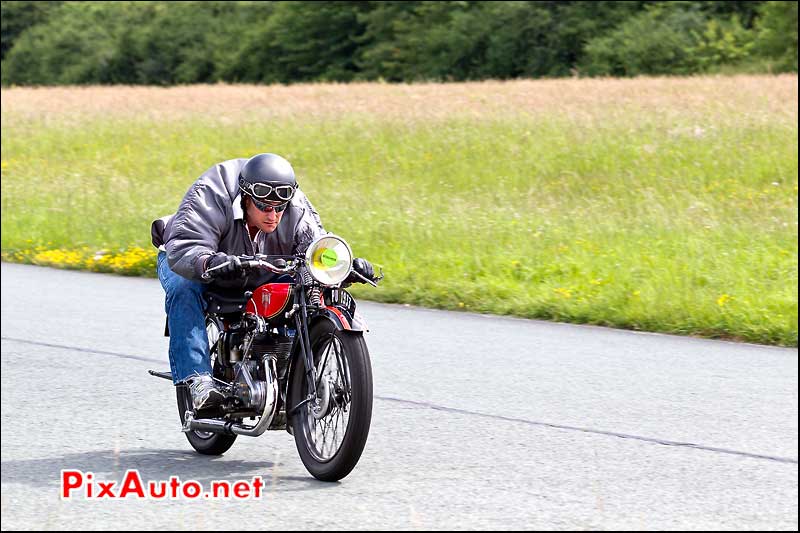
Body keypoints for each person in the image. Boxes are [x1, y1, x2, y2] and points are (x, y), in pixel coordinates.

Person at [151, 153, 375, 410]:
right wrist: (208, 261)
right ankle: (198, 381)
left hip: (260, 266)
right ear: (246, 199)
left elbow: (316, 247)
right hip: (194, 261)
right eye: (265, 207)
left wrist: (343, 267)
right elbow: (185, 246)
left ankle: (290, 369)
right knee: (184, 288)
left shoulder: (295, 206)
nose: (274, 215)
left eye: (279, 208)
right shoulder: (212, 193)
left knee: (305, 286)